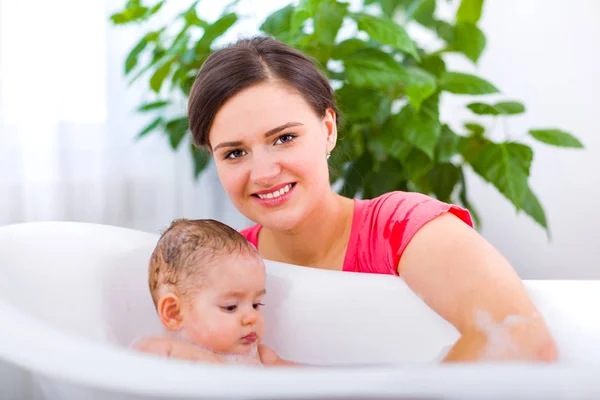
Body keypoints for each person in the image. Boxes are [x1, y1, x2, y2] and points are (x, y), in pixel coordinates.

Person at [141, 36, 558, 364]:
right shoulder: (221, 266)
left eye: (284, 138)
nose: (264, 172)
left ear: (328, 130)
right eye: (234, 153)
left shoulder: (400, 228)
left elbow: (522, 341)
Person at [133, 218, 293, 366]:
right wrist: (195, 356)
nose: (252, 317)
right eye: (231, 307)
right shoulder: (165, 349)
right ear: (174, 313)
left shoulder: (260, 356)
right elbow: (138, 353)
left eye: (256, 304)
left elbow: (307, 381)